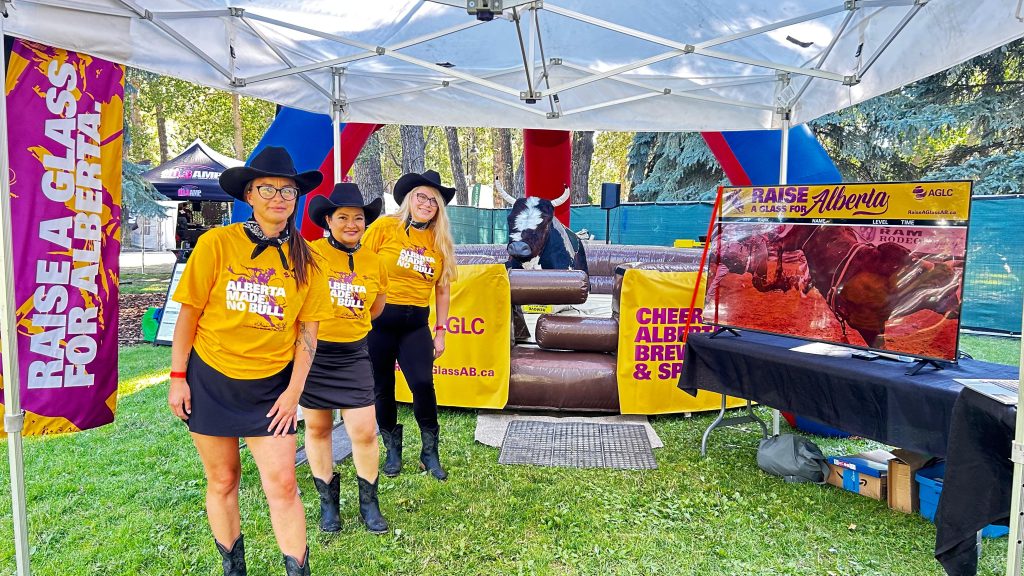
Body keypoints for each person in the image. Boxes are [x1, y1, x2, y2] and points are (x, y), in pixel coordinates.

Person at [167, 146, 332, 576]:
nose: (278, 197)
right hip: (211, 380)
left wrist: (293, 392)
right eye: (267, 189)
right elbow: (189, 316)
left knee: (284, 484)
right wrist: (178, 377)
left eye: (287, 190)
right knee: (223, 480)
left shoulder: (308, 259)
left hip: (271, 388)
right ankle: (233, 569)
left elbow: (308, 334)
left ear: (296, 198)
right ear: (249, 195)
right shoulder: (216, 244)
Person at [302, 183, 390, 534]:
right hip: (314, 354)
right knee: (318, 428)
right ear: (328, 220)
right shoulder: (309, 253)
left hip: (354, 353)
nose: (351, 224)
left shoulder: (375, 261)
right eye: (343, 217)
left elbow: (377, 306)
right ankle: (328, 505)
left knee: (364, 431)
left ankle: (369, 504)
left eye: (358, 218)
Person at [363, 170, 457, 481]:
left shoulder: (440, 239)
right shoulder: (385, 227)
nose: (427, 204)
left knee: (422, 383)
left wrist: (440, 332)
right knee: (382, 387)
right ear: (409, 198)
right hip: (378, 322)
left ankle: (430, 453)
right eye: (422, 197)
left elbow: (442, 290)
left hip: (415, 324)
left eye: (434, 200)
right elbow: (360, 265)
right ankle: (392, 449)